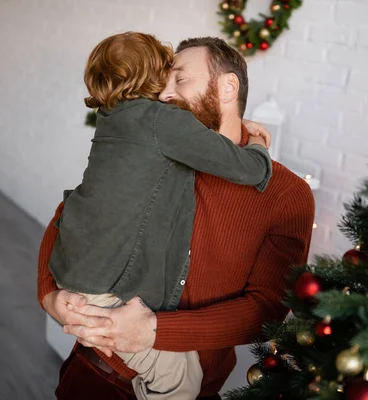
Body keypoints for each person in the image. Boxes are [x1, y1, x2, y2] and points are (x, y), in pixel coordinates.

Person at [37, 36, 315, 400]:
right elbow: (75, 213)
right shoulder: (155, 148)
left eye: (180, 80)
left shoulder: (286, 194)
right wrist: (49, 294)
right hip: (95, 371)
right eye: (162, 84)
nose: (165, 95)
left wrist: (155, 331)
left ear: (227, 87)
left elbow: (265, 311)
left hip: (184, 387)